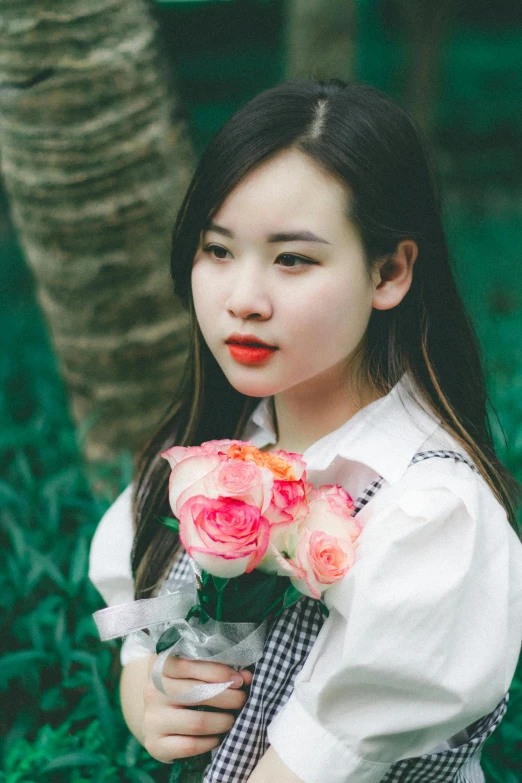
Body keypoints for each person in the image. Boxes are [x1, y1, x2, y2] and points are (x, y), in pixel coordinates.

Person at [89, 78, 522, 783]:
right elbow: (132, 590)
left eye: (293, 258)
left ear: (389, 271)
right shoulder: (219, 449)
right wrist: (142, 683)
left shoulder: (430, 510)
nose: (243, 300)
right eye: (218, 250)